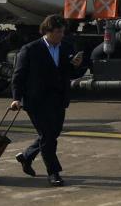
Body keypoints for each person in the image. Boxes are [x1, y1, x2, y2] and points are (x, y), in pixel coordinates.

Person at [12, 14, 82, 187]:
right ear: (47, 31)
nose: (61, 35)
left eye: (62, 32)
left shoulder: (66, 47)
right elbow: (18, 76)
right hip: (36, 101)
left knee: (52, 134)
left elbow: (69, 73)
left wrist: (76, 65)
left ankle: (26, 156)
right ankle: (53, 172)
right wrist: (16, 98)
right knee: (48, 136)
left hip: (58, 99)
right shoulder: (30, 49)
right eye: (58, 32)